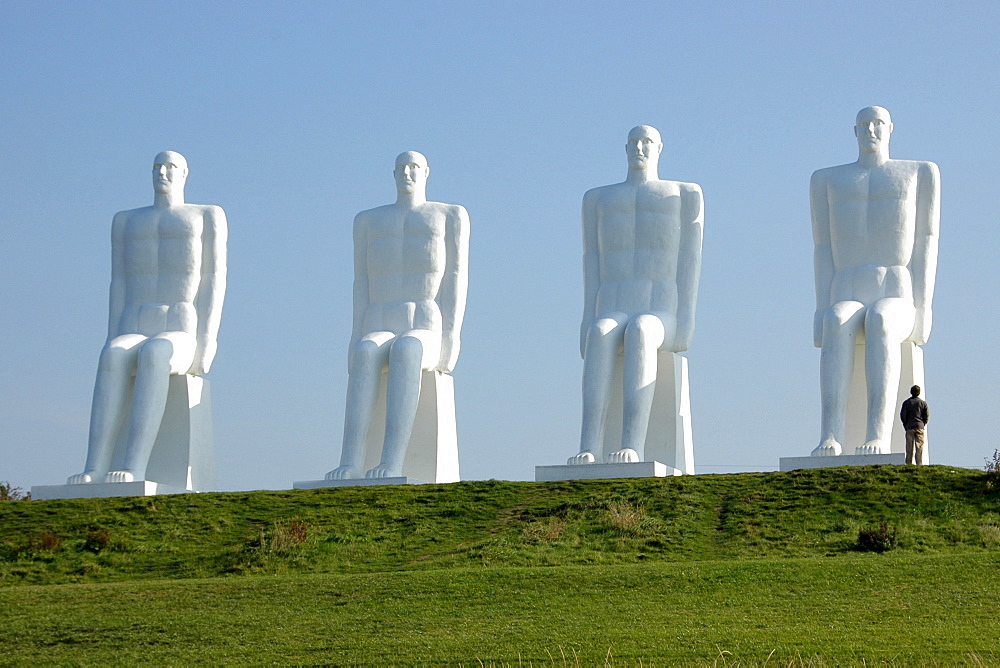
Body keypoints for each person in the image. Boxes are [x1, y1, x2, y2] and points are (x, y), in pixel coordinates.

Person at [69, 151, 227, 484]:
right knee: (112, 354)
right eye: (156, 167)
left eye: (170, 167)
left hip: (180, 326)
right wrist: (111, 334)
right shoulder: (126, 221)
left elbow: (214, 278)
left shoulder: (205, 215)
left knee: (156, 353)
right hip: (134, 323)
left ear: (185, 173)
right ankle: (93, 465)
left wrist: (208, 340)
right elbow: (119, 283)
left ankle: (134, 464)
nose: (162, 172)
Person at [326, 151, 470, 480]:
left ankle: (392, 460)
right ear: (392, 174)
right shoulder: (367, 221)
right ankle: (350, 461)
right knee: (365, 352)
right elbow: (360, 283)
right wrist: (353, 337)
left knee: (407, 349)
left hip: (425, 323)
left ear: (426, 173)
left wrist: (452, 337)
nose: (407, 173)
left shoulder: (448, 215)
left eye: (414, 167)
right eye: (400, 168)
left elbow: (454, 279)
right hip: (379, 321)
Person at [570, 125, 703, 465]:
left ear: (660, 148)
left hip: (662, 311)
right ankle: (589, 445)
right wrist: (586, 319)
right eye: (632, 142)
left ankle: (634, 443)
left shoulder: (683, 194)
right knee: (601, 333)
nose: (639, 148)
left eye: (646, 142)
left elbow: (690, 260)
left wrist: (686, 322)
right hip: (613, 304)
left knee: (642, 330)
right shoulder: (598, 199)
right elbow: (592, 262)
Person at [811, 106, 940, 457]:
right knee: (837, 320)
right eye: (864, 124)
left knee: (881, 318)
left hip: (896, 290)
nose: (871, 130)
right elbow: (822, 247)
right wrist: (820, 307)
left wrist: (924, 306)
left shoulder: (918, 172)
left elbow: (926, 240)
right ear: (854, 131)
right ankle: (830, 434)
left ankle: (877, 433)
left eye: (878, 123)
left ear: (890, 129)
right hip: (847, 287)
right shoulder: (827, 179)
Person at [900, 385, 929, 464]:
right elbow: (926, 416)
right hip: (919, 426)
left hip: (909, 427)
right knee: (919, 447)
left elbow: (903, 415)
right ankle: (919, 463)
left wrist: (905, 424)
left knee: (909, 447)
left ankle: (908, 463)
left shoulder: (906, 403)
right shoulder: (923, 403)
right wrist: (923, 424)